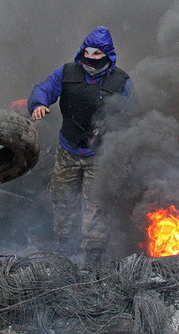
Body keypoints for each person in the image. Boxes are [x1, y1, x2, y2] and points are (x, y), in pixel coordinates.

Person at [27, 26, 134, 266]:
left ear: (107, 55)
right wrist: (38, 104)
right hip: (69, 149)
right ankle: (65, 248)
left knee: (95, 206)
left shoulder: (121, 82)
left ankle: (92, 258)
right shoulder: (67, 73)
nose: (90, 57)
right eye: (88, 51)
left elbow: (131, 118)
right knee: (62, 199)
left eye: (97, 54)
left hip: (101, 154)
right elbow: (43, 89)